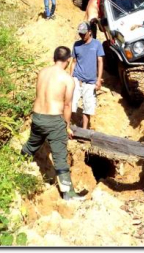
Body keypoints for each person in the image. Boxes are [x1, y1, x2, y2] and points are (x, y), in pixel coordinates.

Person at [21, 46, 85, 201]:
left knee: (31, 145)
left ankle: (17, 165)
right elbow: (67, 105)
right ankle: (68, 194)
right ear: (69, 61)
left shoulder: (42, 72)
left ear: (54, 58)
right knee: (60, 157)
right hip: (54, 120)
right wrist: (67, 125)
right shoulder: (67, 79)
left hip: (37, 117)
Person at [71, 22, 104, 130]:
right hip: (77, 78)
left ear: (90, 32)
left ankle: (84, 130)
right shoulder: (76, 45)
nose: (81, 36)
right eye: (80, 34)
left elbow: (100, 61)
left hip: (90, 81)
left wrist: (98, 80)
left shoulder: (97, 44)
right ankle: (69, 125)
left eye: (84, 33)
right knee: (71, 102)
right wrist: (70, 77)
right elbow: (74, 62)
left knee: (88, 106)